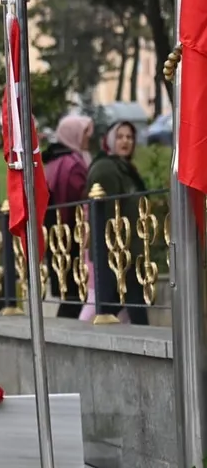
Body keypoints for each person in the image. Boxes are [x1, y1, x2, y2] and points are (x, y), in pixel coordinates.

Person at [82, 121, 149, 325]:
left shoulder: (124, 168)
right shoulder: (106, 169)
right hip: (118, 254)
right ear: (110, 140)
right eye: (120, 137)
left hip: (128, 252)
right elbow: (106, 214)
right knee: (131, 308)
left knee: (118, 308)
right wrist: (115, 249)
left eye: (129, 137)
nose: (125, 141)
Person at [42, 114, 93, 319]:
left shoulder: (54, 161)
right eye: (84, 133)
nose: (88, 137)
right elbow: (81, 200)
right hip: (73, 239)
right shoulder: (72, 165)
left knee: (71, 295)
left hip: (57, 237)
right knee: (75, 294)